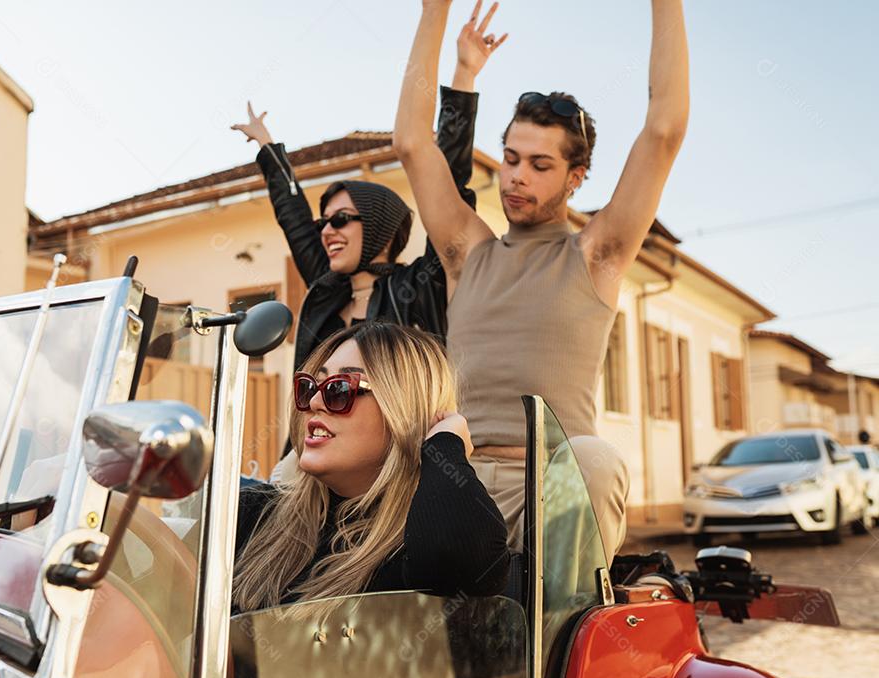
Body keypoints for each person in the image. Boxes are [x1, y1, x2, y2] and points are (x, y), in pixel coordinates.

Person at [394, 0, 690, 558]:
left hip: (553, 488)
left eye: (540, 165)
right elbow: (412, 143)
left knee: (598, 459)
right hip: (459, 486)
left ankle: (561, 629)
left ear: (576, 178)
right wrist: (435, 12)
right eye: (510, 158)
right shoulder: (467, 252)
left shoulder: (597, 254)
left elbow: (664, 130)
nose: (516, 177)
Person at [230, 16, 505, 372]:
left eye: (341, 220)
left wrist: (464, 75)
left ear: (379, 226)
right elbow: (294, 217)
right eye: (325, 222)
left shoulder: (421, 286)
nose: (327, 231)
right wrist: (268, 147)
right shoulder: (326, 289)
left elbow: (448, 180)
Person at [231, 322, 508, 614]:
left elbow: (462, 563)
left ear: (401, 410)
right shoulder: (253, 513)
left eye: (338, 390)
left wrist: (444, 444)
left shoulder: (414, 547)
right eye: (310, 387)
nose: (314, 402)